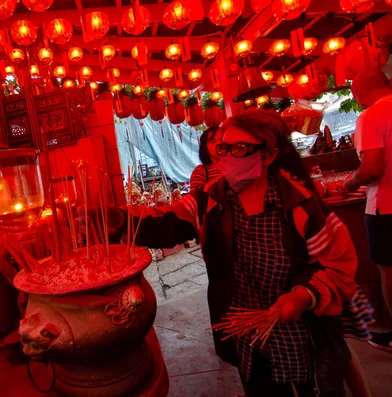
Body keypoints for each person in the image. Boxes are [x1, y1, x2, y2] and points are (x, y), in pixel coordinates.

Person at [112, 109, 357, 397]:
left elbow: (335, 265)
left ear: (268, 154)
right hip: (245, 334)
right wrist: (115, 219)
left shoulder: (301, 206)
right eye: (222, 147)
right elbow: (165, 223)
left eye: (239, 148)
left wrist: (303, 294)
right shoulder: (211, 200)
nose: (226, 157)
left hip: (299, 335)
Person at [344, 68, 392, 353]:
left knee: (389, 271)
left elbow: (372, 168)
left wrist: (351, 183)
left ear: (358, 93)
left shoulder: (372, 115)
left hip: (386, 207)